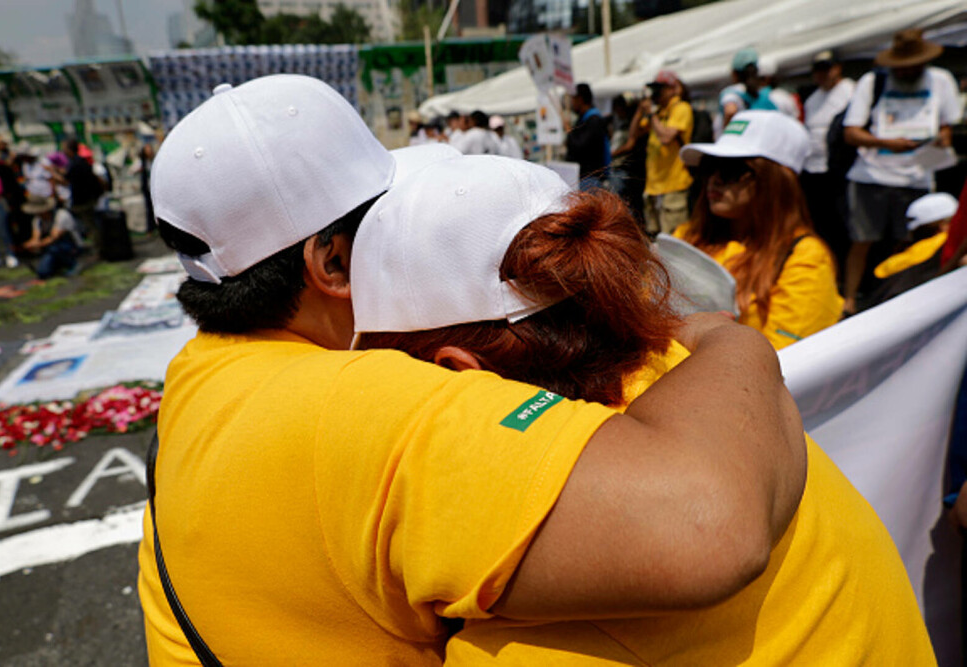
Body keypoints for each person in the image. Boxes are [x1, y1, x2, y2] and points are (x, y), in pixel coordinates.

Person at [139, 74, 806, 664]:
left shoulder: (202, 371)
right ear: (333, 264)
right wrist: (728, 340)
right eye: (388, 218)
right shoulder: (376, 406)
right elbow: (710, 523)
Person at [350, 154, 936, 666]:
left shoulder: (546, 622)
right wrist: (733, 339)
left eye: (387, 375)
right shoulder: (729, 399)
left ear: (457, 373)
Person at [675, 110, 843, 349]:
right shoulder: (687, 236)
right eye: (709, 166)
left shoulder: (805, 257)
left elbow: (784, 361)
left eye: (732, 170)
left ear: (775, 182)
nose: (715, 179)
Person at [841, 28, 961, 316]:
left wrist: (943, 139)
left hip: (918, 174)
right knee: (862, 239)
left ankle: (903, 297)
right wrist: (884, 143)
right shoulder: (872, 82)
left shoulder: (941, 81)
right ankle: (850, 300)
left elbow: (947, 124)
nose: (908, 71)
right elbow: (851, 132)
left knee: (911, 240)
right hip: (871, 174)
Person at [620, 70, 694, 235]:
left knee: (674, 239)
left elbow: (666, 137)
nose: (656, 92)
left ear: (672, 89)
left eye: (660, 88)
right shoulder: (658, 111)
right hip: (653, 186)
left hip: (674, 185)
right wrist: (640, 110)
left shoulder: (681, 108)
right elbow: (633, 136)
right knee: (654, 238)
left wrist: (651, 113)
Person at [801, 49, 856, 269]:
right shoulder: (813, 98)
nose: (821, 75)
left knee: (843, 224)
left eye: (826, 69)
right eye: (817, 70)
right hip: (813, 170)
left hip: (840, 169)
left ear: (837, 68)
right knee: (822, 224)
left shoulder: (850, 90)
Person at [57, 137, 105, 254]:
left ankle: (99, 249)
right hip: (87, 198)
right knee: (89, 224)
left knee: (91, 225)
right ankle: (97, 246)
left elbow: (66, 180)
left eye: (64, 149)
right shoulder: (79, 162)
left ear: (69, 150)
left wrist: (52, 173)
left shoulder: (76, 163)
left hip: (83, 200)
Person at [21, 195, 84, 278]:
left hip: (70, 246)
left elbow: (54, 236)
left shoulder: (61, 215)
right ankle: (58, 266)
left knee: (55, 248)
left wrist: (38, 244)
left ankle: (74, 264)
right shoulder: (37, 220)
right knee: (43, 272)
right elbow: (35, 237)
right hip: (51, 248)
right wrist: (28, 245)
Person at [565, 82, 611, 188]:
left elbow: (579, 146)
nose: (572, 103)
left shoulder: (594, 120)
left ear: (580, 99)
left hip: (590, 180)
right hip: (582, 178)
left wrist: (569, 131)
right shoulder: (583, 120)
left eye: (573, 99)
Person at [718, 48, 777, 130]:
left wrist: (727, 134)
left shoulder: (732, 92)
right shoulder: (762, 93)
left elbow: (730, 111)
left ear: (734, 73)